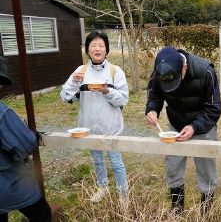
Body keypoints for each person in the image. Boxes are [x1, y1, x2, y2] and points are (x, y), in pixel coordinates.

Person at [145, 46, 221, 214]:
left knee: (206, 169)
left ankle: (206, 212)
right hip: (176, 124)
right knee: (173, 165)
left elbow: (214, 108)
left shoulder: (205, 71)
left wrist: (194, 127)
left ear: (184, 67)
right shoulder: (160, 71)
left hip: (203, 128)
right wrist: (152, 109)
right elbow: (154, 95)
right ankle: (177, 208)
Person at [61, 31, 129, 203]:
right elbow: (65, 97)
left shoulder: (115, 71)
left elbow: (124, 99)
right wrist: (73, 82)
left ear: (106, 49)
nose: (97, 48)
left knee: (116, 161)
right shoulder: (80, 71)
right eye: (93, 45)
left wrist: (107, 91)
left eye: (101, 45)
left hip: (111, 127)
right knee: (97, 160)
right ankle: (102, 187)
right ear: (87, 50)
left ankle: (123, 194)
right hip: (88, 127)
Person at [0, 56, 53, 222]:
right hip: (11, 181)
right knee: (42, 214)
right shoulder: (2, 113)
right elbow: (25, 143)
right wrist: (31, 134)